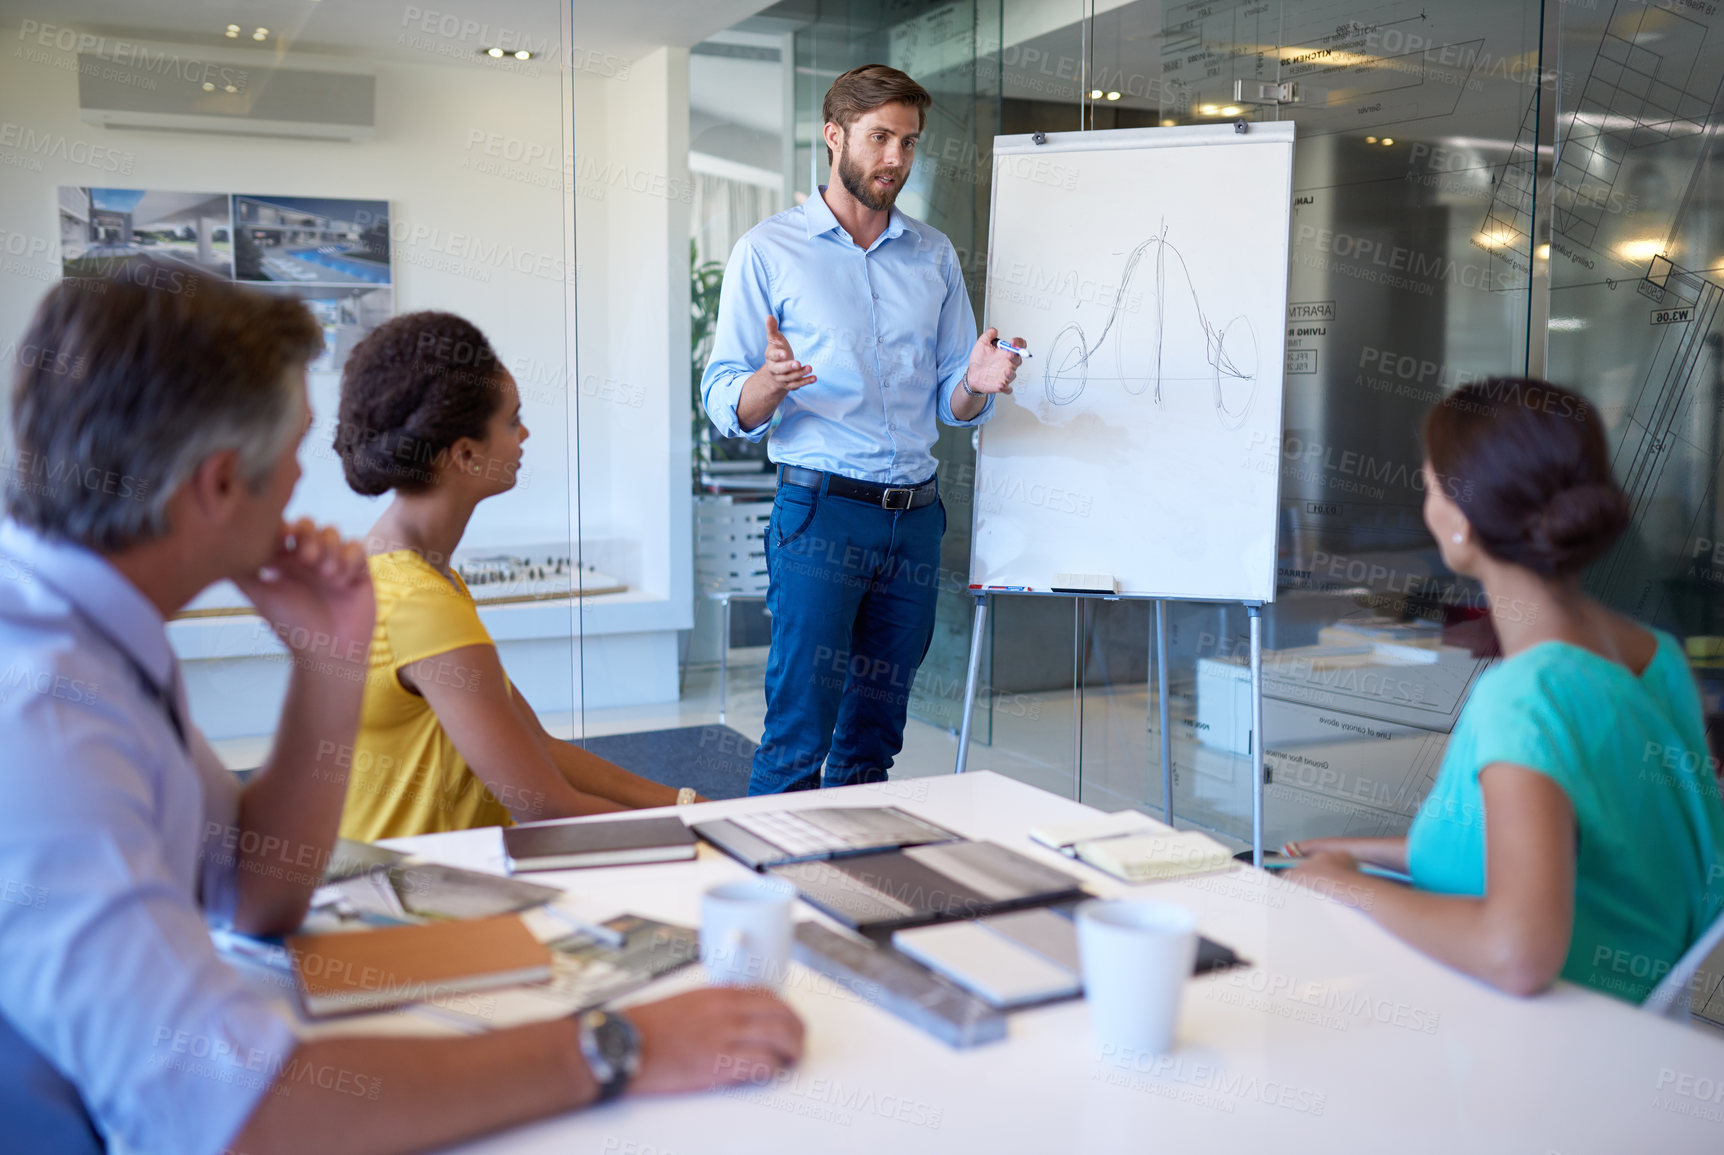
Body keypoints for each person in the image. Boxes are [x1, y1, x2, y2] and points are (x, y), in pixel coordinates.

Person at [0, 264, 803, 1155]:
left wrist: (330, 661)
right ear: (221, 484)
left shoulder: (95, 641)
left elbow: (256, 892)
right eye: (293, 448)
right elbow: (236, 1113)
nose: (314, 473)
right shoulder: (42, 715)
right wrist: (615, 1045)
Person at [1284, 378, 1724, 1003]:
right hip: (1632, 1032)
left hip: (1534, 1053)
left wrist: (1340, 885)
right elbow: (1547, 844)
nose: (1427, 503)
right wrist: (1343, 852)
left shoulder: (1524, 697)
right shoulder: (1660, 660)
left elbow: (1517, 954)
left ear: (1462, 523)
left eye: (1430, 487)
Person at [701, 63, 1024, 795]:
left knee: (873, 741)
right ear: (833, 134)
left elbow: (953, 400)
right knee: (796, 737)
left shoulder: (933, 254)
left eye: (908, 143)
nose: (894, 160)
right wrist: (767, 383)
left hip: (913, 519)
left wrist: (974, 383)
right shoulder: (768, 250)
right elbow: (725, 400)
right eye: (880, 138)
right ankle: (774, 901)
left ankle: (851, 892)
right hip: (820, 516)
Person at [331, 311, 699, 841]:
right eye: (512, 421)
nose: (525, 434)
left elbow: (539, 749)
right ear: (464, 453)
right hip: (421, 899)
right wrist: (704, 835)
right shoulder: (420, 604)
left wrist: (686, 805)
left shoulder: (401, 569)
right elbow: (546, 811)